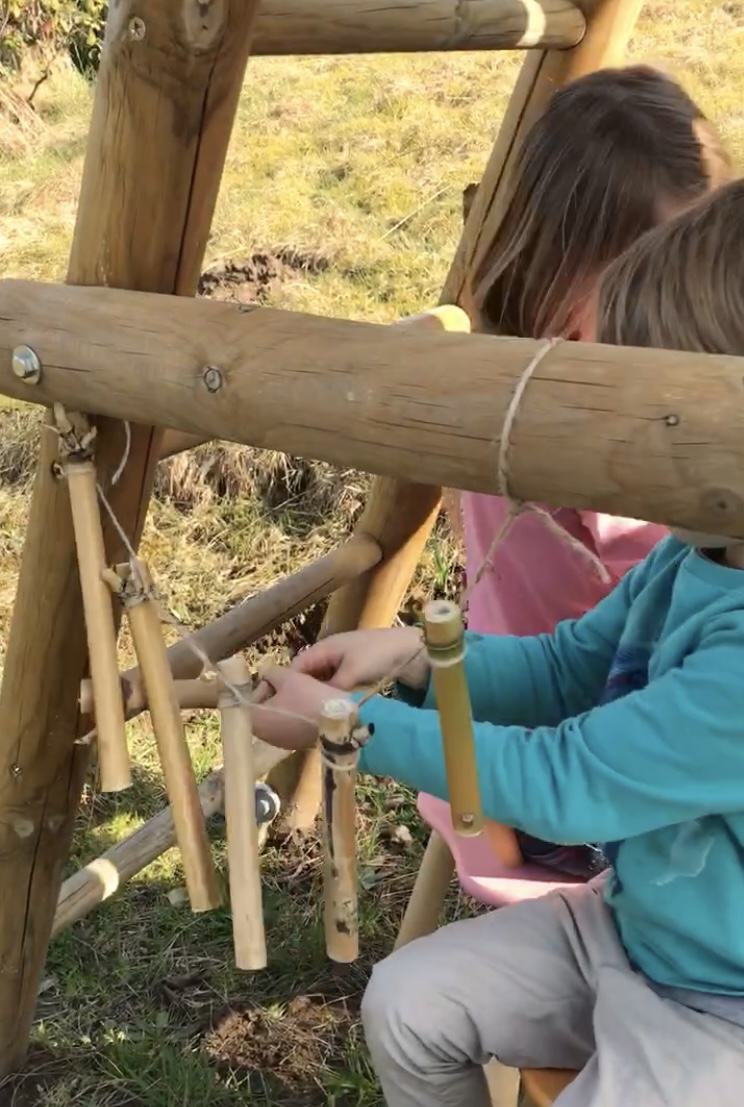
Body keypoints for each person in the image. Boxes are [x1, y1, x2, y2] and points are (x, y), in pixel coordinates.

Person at [250, 177, 744, 1107]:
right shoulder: (698, 553)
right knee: (409, 1002)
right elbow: (566, 670)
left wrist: (350, 727)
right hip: (636, 931)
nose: (626, 444)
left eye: (660, 420)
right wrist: (411, 660)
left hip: (727, 1006)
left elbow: (571, 780)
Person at [455, 64, 731, 878]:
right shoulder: (576, 430)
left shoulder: (521, 370)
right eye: (656, 275)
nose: (684, 310)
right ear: (564, 266)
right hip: (569, 789)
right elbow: (585, 680)